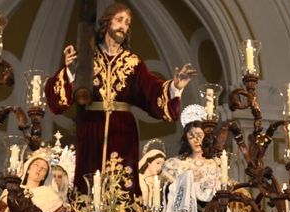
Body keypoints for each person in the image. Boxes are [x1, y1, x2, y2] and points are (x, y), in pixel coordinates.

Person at [45, 2, 196, 196]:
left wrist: (176, 86)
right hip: (91, 127)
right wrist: (70, 70)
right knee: (88, 184)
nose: (123, 26)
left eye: (127, 23)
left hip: (123, 132)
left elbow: (152, 91)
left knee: (122, 187)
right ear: (107, 22)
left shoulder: (133, 63)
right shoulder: (87, 56)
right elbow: (58, 99)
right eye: (119, 20)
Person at [162, 114, 221, 212]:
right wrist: (187, 179)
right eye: (191, 136)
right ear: (186, 139)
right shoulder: (176, 164)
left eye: (200, 136)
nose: (196, 140)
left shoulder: (215, 164)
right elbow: (168, 189)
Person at [138, 146, 167, 212]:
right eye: (157, 163)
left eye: (162, 165)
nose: (160, 168)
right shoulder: (139, 178)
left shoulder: (160, 182)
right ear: (148, 162)